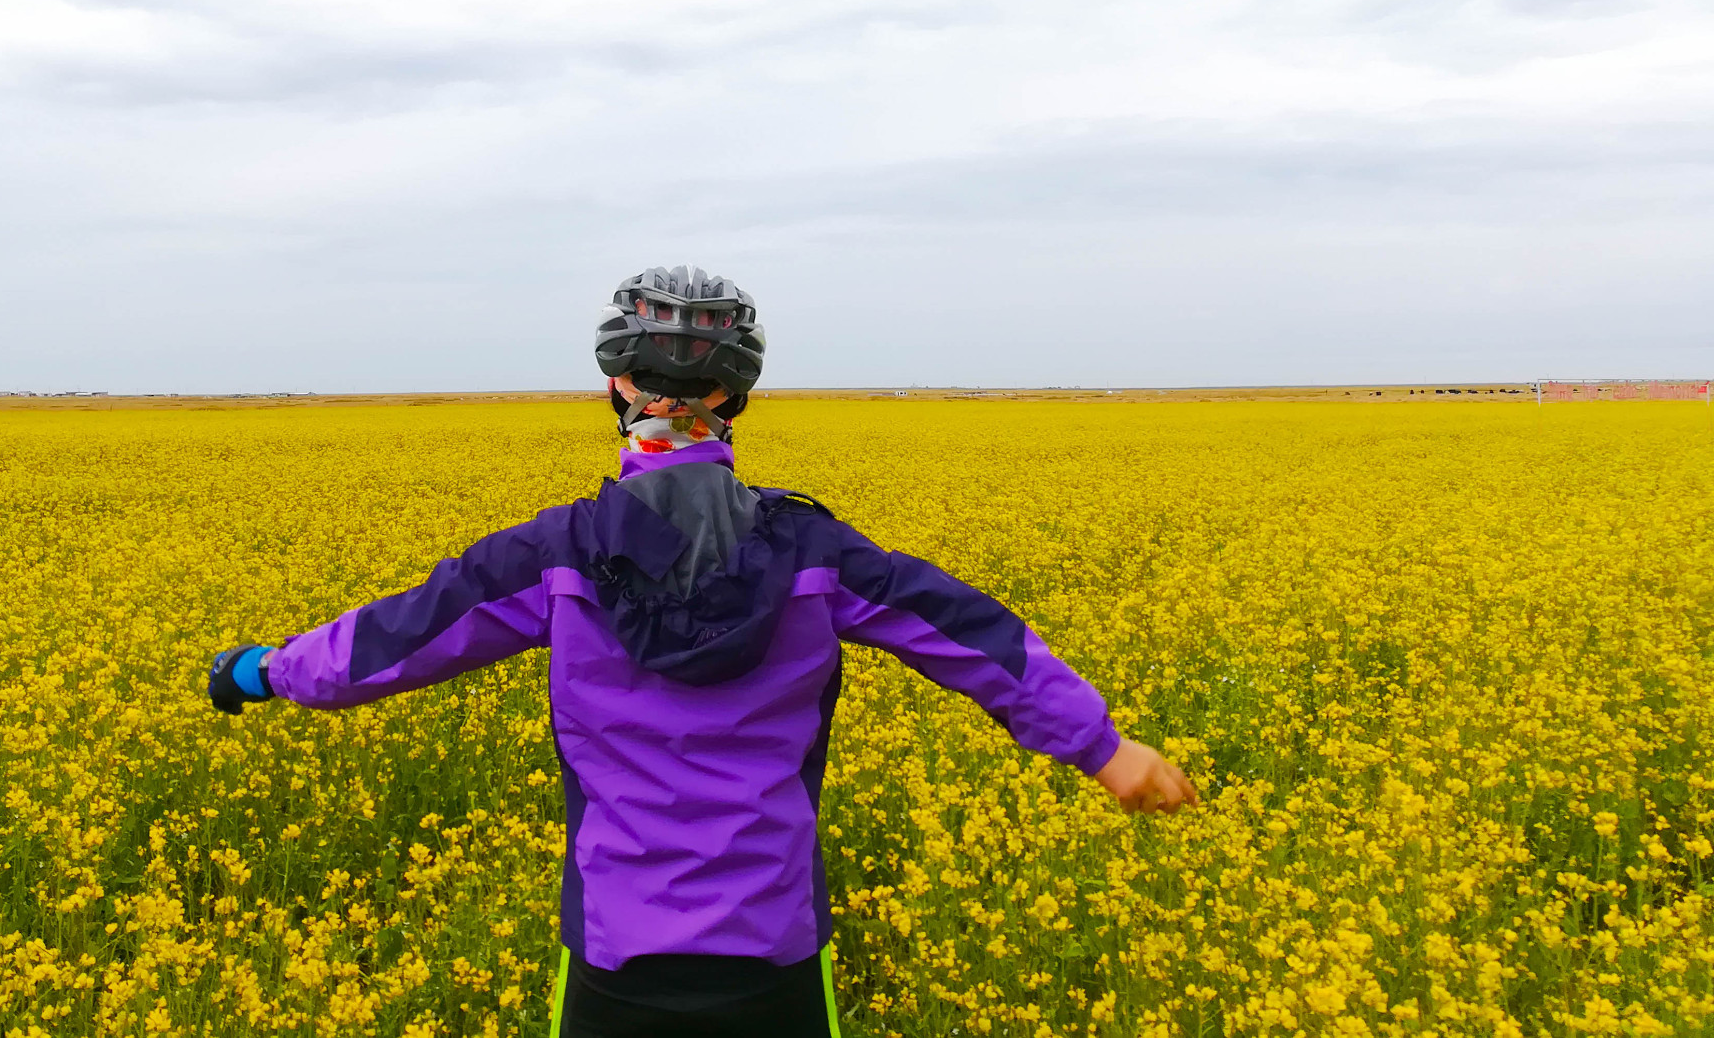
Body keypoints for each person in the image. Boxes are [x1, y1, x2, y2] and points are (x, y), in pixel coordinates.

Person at [207, 265, 1198, 1037]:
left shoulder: (555, 553)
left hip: (613, 948)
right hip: (771, 945)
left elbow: (391, 640)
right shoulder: (816, 552)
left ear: (614, 383)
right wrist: (1102, 748)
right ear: (736, 394)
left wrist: (264, 669)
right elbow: (975, 637)